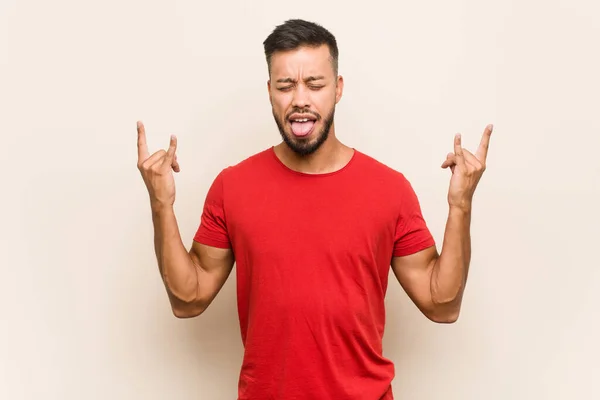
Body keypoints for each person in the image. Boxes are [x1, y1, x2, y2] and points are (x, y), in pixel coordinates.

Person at [136, 18, 492, 400]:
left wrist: (460, 205)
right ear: (270, 90)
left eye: (315, 85)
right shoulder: (233, 186)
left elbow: (443, 305)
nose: (300, 99)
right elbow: (187, 300)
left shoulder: (390, 190)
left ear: (338, 89)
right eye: (286, 86)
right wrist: (161, 204)